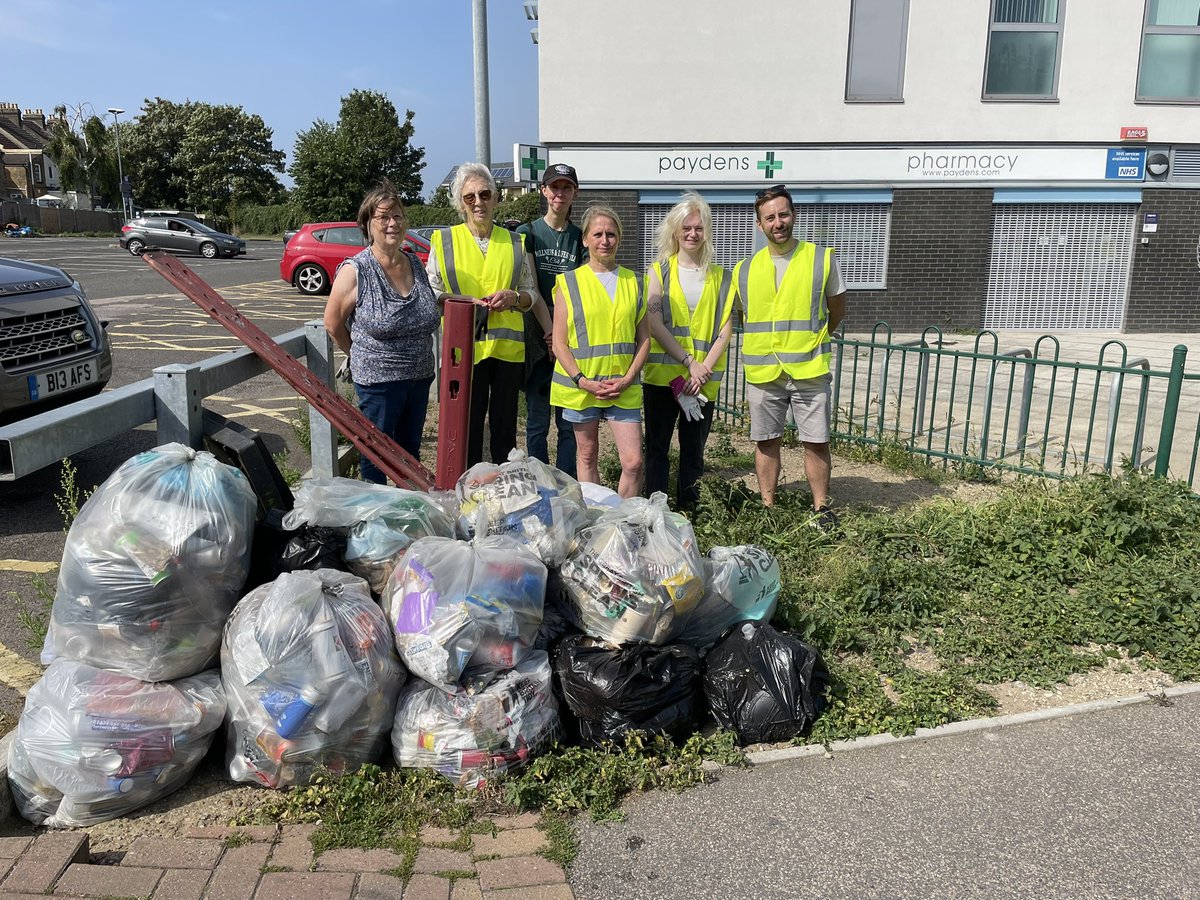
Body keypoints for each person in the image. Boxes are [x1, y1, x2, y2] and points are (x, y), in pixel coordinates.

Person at [733, 184, 847, 524]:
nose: (777, 222)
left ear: (793, 216)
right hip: (764, 371)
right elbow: (743, 317)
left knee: (816, 441)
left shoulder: (820, 259)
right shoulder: (744, 269)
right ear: (759, 224)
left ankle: (821, 509)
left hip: (808, 367)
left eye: (783, 214)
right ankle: (768, 506)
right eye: (769, 217)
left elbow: (837, 309)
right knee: (766, 441)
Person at [428, 163, 552, 466]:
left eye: (484, 194)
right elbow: (430, 292)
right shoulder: (444, 241)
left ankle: (503, 492)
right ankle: (467, 488)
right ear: (460, 203)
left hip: (507, 351)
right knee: (466, 426)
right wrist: (458, 300)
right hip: (464, 350)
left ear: (496, 199)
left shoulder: (514, 242)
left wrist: (514, 297)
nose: (478, 202)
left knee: (505, 428)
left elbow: (530, 292)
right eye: (469, 197)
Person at [323, 180, 442, 485]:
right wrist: (357, 354)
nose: (392, 223)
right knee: (376, 454)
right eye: (383, 217)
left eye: (398, 216)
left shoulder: (415, 263)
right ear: (367, 224)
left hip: (418, 378)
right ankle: (377, 518)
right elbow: (333, 323)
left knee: (409, 453)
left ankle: (406, 513)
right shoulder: (357, 269)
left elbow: (429, 308)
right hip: (379, 382)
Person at [642, 192, 735, 509]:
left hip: (701, 382)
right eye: (686, 228)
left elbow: (725, 330)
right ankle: (655, 510)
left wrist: (702, 369)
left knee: (693, 450)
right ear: (675, 231)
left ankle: (690, 510)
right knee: (657, 448)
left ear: (706, 230)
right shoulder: (658, 271)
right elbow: (654, 322)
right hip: (663, 380)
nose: (693, 233)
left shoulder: (723, 277)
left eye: (698, 227)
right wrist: (689, 362)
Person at [550, 206, 650, 498]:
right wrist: (582, 380)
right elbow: (559, 343)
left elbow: (644, 340)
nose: (604, 240)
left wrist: (629, 378)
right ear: (585, 240)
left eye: (611, 234)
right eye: (598, 234)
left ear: (619, 238)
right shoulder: (568, 283)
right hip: (582, 387)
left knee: (633, 462)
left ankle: (622, 522)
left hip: (623, 385)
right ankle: (596, 522)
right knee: (587, 455)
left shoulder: (635, 282)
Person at [517, 162, 585, 477]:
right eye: (554, 187)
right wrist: (549, 334)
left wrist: (562, 337)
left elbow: (584, 292)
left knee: (569, 422)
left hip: (570, 342)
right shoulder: (527, 233)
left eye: (566, 187)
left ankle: (567, 483)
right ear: (544, 191)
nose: (560, 193)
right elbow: (529, 286)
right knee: (537, 421)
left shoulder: (581, 239)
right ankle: (540, 481)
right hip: (538, 340)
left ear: (574, 193)